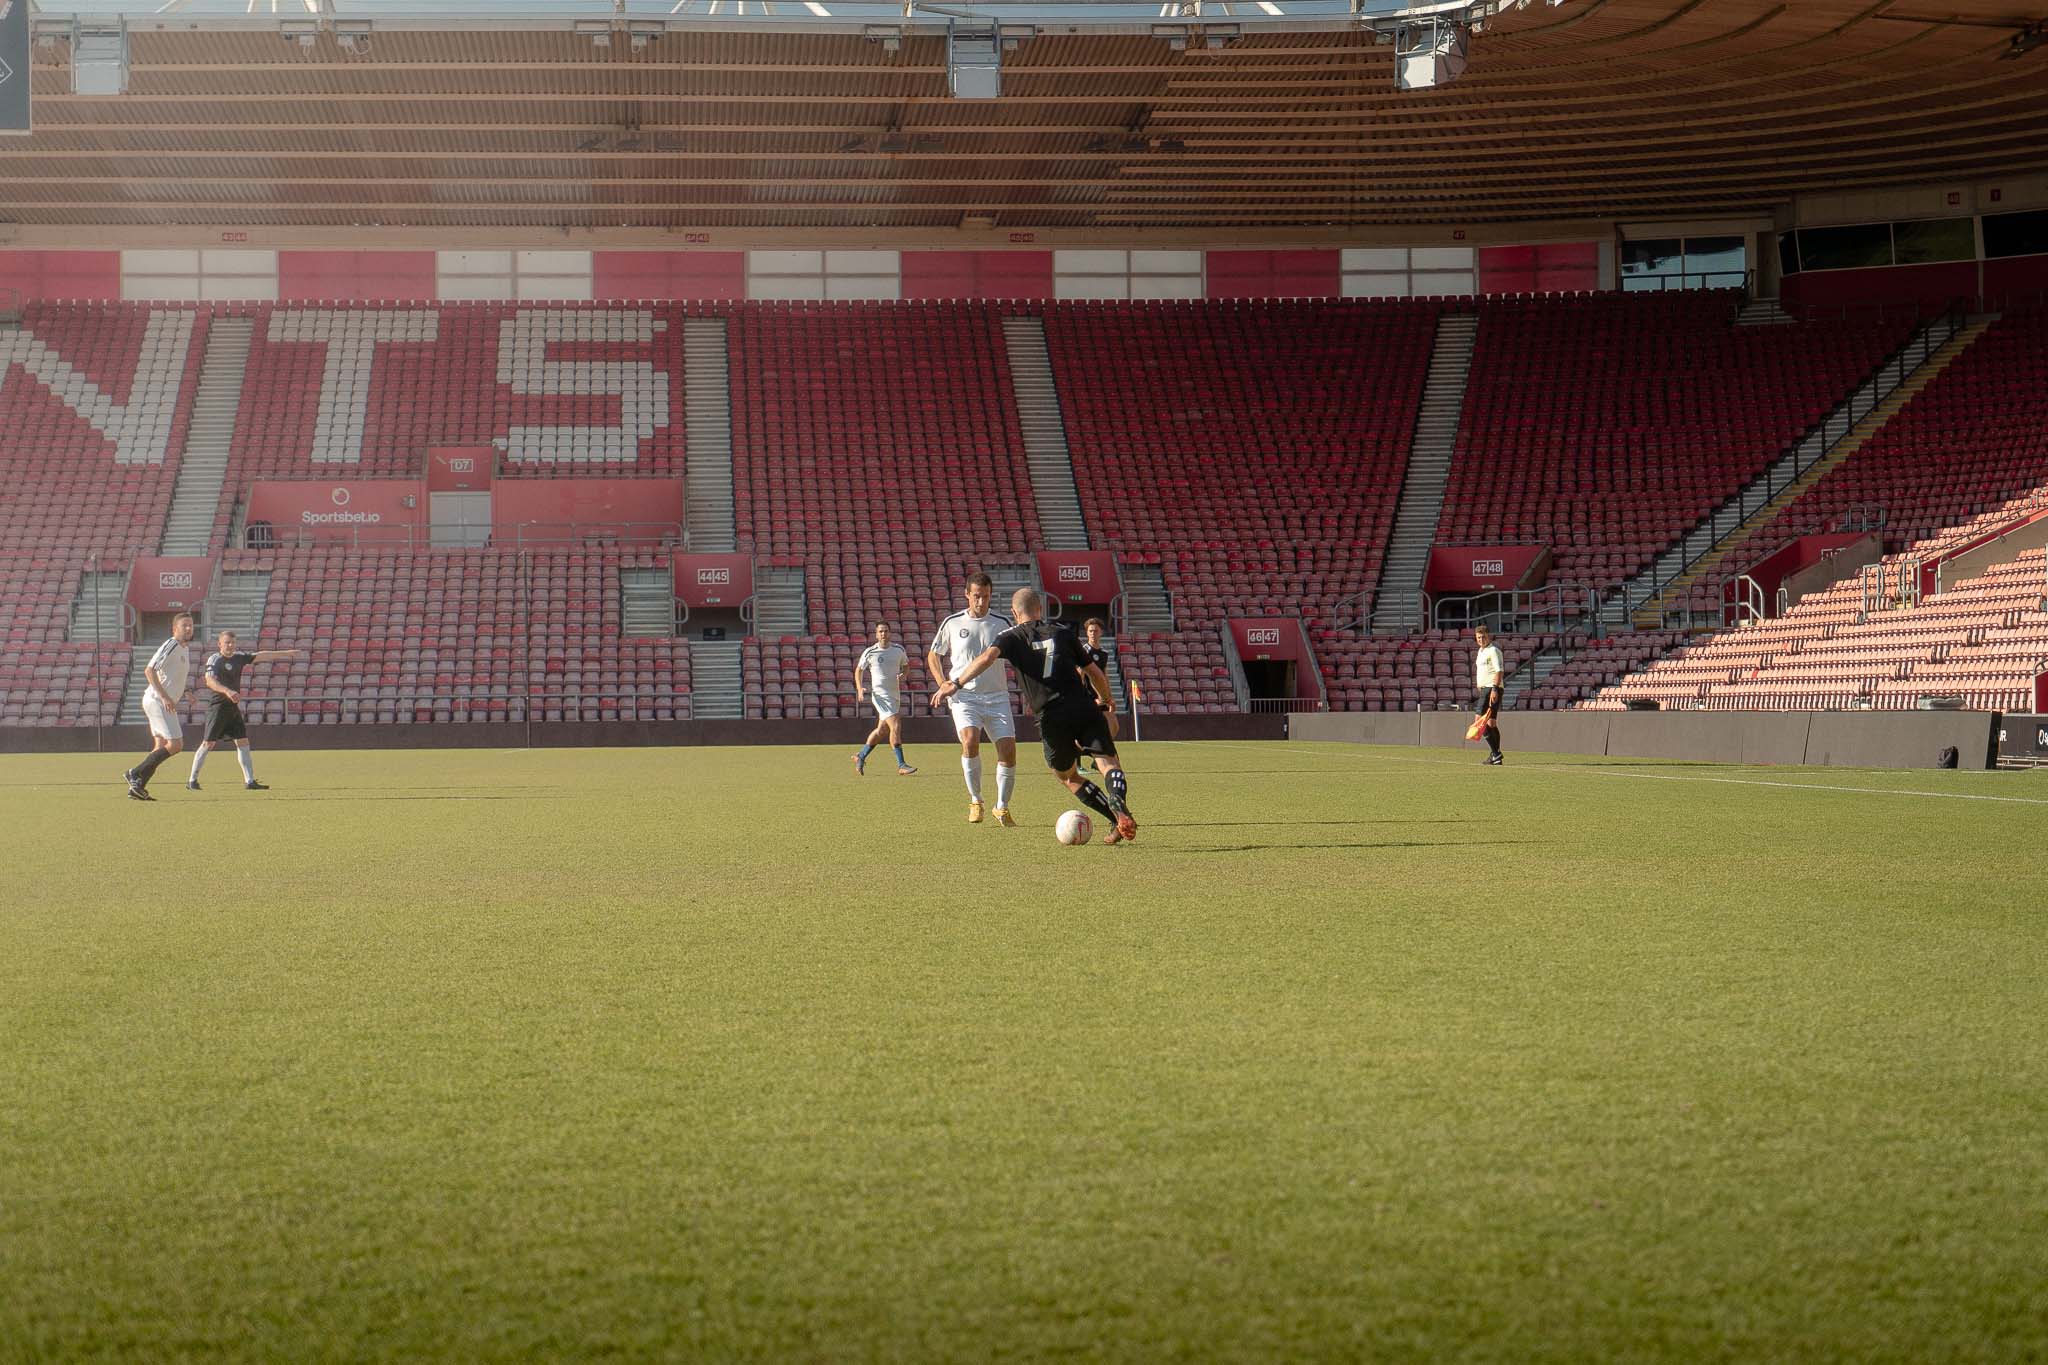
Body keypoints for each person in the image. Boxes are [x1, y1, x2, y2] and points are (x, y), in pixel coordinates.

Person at [933, 588, 1137, 844]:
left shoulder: (1010, 636)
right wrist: (1106, 702)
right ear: (1040, 609)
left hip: (1052, 716)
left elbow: (986, 658)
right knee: (1108, 763)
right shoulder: (1063, 632)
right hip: (1084, 706)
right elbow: (1094, 672)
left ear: (1014, 613)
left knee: (1068, 776)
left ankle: (1113, 816)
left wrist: (957, 682)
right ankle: (1120, 807)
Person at [927, 572, 1017, 826]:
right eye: (976, 596)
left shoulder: (1001, 623)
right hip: (964, 696)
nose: (981, 602)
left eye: (985, 597)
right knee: (970, 740)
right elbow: (933, 655)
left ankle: (1002, 807)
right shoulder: (953, 622)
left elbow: (1017, 657)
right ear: (967, 594)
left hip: (997, 696)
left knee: (1008, 751)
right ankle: (976, 800)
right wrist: (942, 682)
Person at [187, 630, 304, 791]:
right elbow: (209, 681)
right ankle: (192, 780)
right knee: (208, 743)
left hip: (232, 708)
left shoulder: (238, 657)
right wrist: (228, 691)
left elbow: (261, 655)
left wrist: (285, 653)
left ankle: (249, 781)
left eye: (233, 642)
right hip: (218, 707)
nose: (230, 645)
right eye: (227, 642)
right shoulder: (215, 659)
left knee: (243, 742)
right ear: (219, 644)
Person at [126, 611, 196, 801]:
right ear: (175, 629)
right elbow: (149, 670)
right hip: (157, 701)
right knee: (176, 745)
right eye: (185, 625)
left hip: (161, 701)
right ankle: (135, 772)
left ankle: (138, 787)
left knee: (160, 746)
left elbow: (173, 674)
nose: (189, 628)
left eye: (191, 625)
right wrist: (165, 697)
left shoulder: (184, 647)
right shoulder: (172, 644)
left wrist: (187, 690)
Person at [852, 622, 917, 776]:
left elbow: (906, 666)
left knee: (882, 731)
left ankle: (861, 756)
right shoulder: (870, 652)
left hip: (894, 694)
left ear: (890, 633)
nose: (883, 634)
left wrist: (904, 675)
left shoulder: (898, 650)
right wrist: (860, 688)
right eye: (880, 631)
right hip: (880, 695)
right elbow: (859, 670)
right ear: (876, 634)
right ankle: (901, 764)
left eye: (885, 631)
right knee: (895, 725)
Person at [1079, 617, 1113, 773]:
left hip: (1102, 697)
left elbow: (1104, 676)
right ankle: (1077, 763)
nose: (1093, 633)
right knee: (1080, 731)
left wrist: (1109, 696)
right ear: (1086, 633)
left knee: (1113, 726)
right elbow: (1079, 674)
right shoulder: (1084, 651)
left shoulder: (1104, 653)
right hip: (1087, 697)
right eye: (1090, 631)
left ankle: (1096, 759)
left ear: (1101, 633)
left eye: (1095, 631)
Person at [1473, 623, 1505, 766]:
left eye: (1483, 637)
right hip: (1485, 689)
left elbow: (1499, 671)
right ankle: (1495, 754)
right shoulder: (1481, 651)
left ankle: (1496, 754)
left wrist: (1494, 689)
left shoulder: (1493, 651)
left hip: (1491, 689)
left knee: (1479, 720)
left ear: (1488, 636)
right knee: (1491, 723)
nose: (1481, 640)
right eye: (1479, 637)